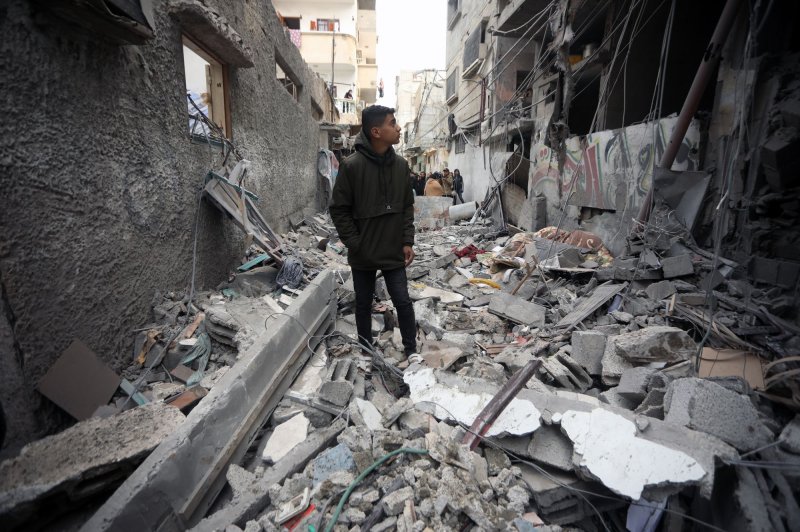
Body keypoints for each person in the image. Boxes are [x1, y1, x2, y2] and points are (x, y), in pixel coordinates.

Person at [329, 105, 418, 358]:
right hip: (364, 252)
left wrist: (407, 240)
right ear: (376, 131)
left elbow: (406, 207)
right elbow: (339, 210)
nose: (398, 128)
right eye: (393, 123)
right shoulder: (351, 166)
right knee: (364, 304)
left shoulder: (401, 166)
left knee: (402, 300)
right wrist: (355, 243)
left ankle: (411, 350)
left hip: (393, 249)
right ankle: (366, 350)